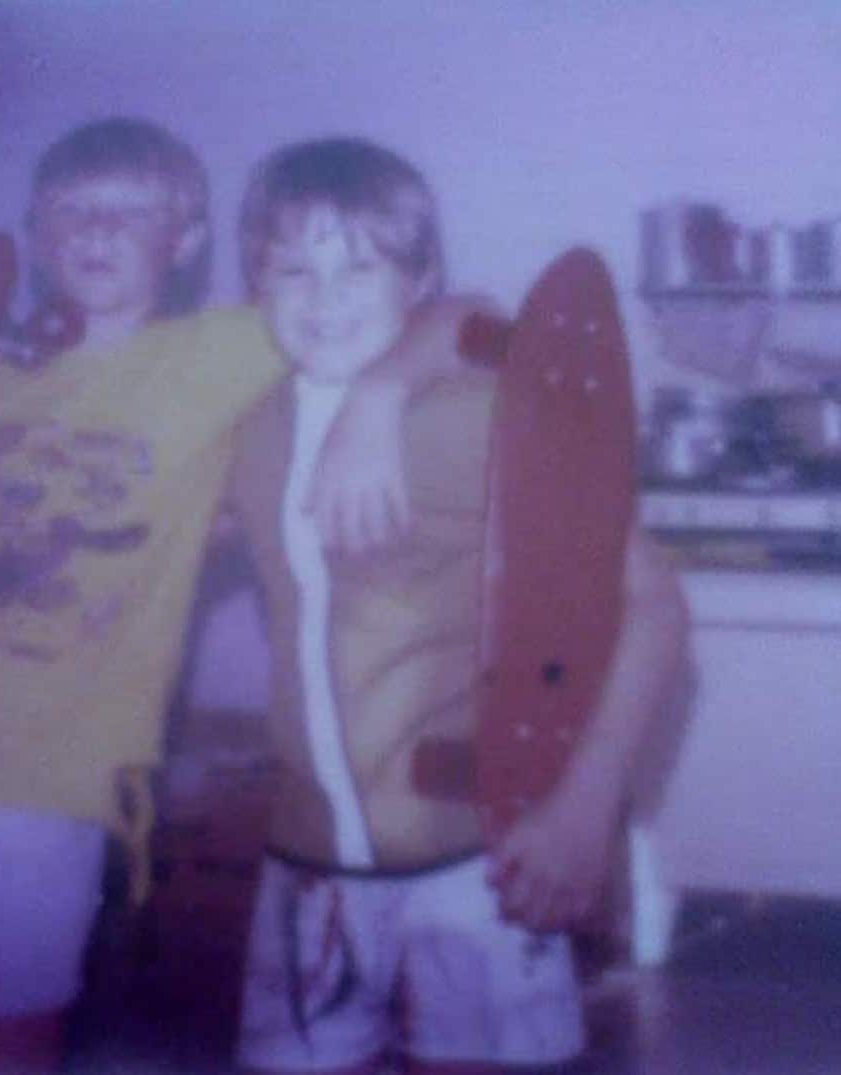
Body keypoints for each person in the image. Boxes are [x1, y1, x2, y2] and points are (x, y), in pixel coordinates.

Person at [0, 118, 476, 1073]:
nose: (96, 232)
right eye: (73, 210)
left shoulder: (217, 352)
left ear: (188, 241)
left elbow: (454, 313)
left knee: (7, 1043)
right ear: (38, 231)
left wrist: (378, 404)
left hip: (31, 790)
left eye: (131, 215)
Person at [226, 137, 688, 1075]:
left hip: (477, 859)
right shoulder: (245, 424)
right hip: (308, 867)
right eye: (289, 269)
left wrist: (583, 806)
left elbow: (654, 610)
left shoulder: (481, 414)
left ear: (422, 279)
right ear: (254, 282)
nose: (323, 297)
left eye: (360, 266)